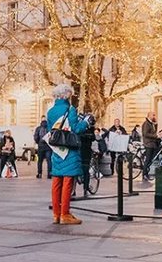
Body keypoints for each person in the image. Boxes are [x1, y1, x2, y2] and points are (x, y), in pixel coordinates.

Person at [47, 83, 90, 225]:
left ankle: (56, 214)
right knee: (67, 181)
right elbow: (76, 129)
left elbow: (50, 130)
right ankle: (65, 213)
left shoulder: (51, 111)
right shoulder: (70, 109)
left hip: (57, 149)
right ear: (67, 95)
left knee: (56, 181)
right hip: (69, 149)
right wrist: (85, 122)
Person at [140, 111, 159, 182]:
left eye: (154, 115)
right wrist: (155, 136)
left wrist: (156, 124)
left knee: (150, 159)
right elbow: (145, 134)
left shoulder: (151, 123)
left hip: (152, 144)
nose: (154, 116)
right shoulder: (146, 123)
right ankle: (144, 174)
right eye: (153, 115)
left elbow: (153, 132)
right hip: (148, 143)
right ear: (149, 115)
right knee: (148, 159)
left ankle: (146, 173)